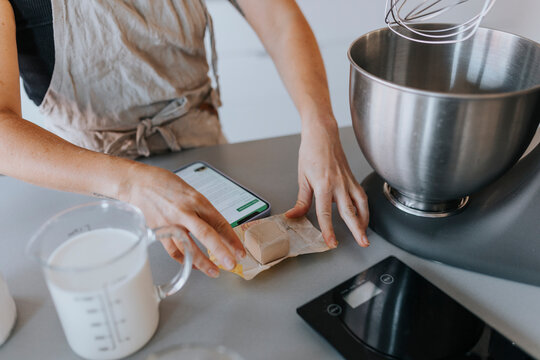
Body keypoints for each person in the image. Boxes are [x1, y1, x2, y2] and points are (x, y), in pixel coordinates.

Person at [0, 0, 369, 278]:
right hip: (90, 180)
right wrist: (130, 183)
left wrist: (319, 122)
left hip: (206, 154)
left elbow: (279, 18)